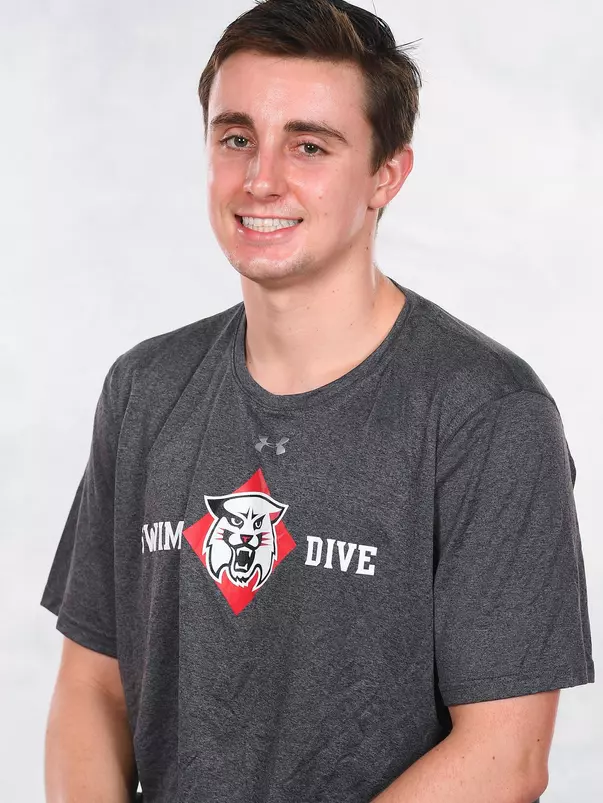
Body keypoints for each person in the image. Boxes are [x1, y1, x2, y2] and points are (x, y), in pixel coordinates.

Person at [40, 1, 595, 801]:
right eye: (236, 138)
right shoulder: (145, 390)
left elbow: (504, 758)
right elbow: (92, 689)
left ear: (385, 175)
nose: (261, 178)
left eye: (308, 145)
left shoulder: (487, 414)